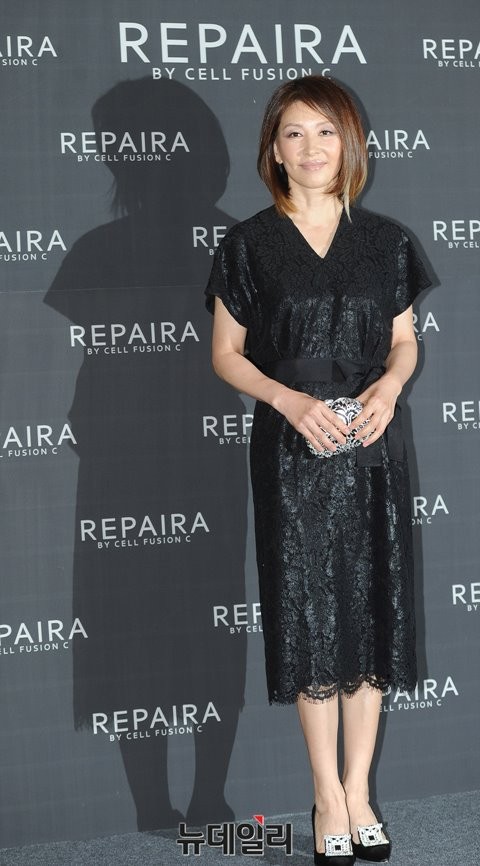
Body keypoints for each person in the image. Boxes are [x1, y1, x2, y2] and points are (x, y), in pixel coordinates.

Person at [205, 76, 431, 864]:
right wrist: (286, 399)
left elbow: (404, 341)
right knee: (309, 618)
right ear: (273, 148)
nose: (311, 147)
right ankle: (326, 794)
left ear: (350, 144)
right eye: (294, 133)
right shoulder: (248, 244)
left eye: (326, 131)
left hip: (371, 444)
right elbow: (226, 355)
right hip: (293, 449)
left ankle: (359, 790)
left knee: (372, 613)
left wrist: (390, 388)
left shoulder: (388, 242)